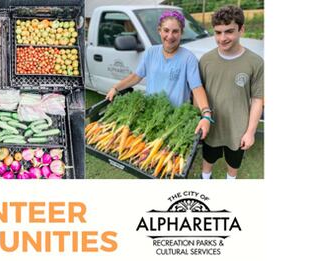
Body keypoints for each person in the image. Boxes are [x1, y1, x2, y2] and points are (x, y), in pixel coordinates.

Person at [105, 9, 211, 138]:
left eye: (175, 31)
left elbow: (197, 88)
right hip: (150, 112)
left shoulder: (188, 58)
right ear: (159, 30)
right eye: (166, 30)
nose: (170, 36)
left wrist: (206, 114)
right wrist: (115, 88)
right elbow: (136, 76)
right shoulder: (151, 53)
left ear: (181, 32)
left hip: (175, 118)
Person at [198, 5, 264, 179]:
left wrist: (250, 132)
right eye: (218, 32)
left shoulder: (255, 62)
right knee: (207, 159)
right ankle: (205, 179)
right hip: (211, 127)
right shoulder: (206, 60)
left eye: (229, 31)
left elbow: (257, 99)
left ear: (241, 29)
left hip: (238, 129)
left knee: (233, 164)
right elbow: (199, 93)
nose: (222, 38)